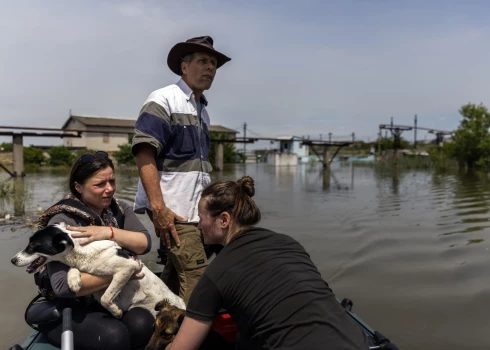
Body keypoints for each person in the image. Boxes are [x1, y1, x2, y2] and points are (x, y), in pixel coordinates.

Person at [165, 176, 369, 350]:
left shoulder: (215, 273)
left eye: (201, 218)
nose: (199, 225)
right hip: (356, 342)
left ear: (224, 220)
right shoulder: (289, 243)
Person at [132, 35, 231, 304]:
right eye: (203, 61)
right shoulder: (163, 99)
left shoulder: (203, 112)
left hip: (194, 212)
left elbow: (198, 169)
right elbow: (144, 153)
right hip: (173, 211)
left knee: (176, 276)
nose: (210, 68)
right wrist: (159, 208)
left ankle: (157, 325)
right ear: (184, 67)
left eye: (213, 63)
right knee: (197, 278)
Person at [34, 151, 154, 350]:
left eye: (112, 182)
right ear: (78, 187)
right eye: (99, 185)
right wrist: (126, 270)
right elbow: (63, 286)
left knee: (144, 323)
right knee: (113, 336)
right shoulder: (63, 222)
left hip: (114, 295)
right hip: (72, 306)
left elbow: (144, 243)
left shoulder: (119, 209)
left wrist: (108, 232)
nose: (109, 189)